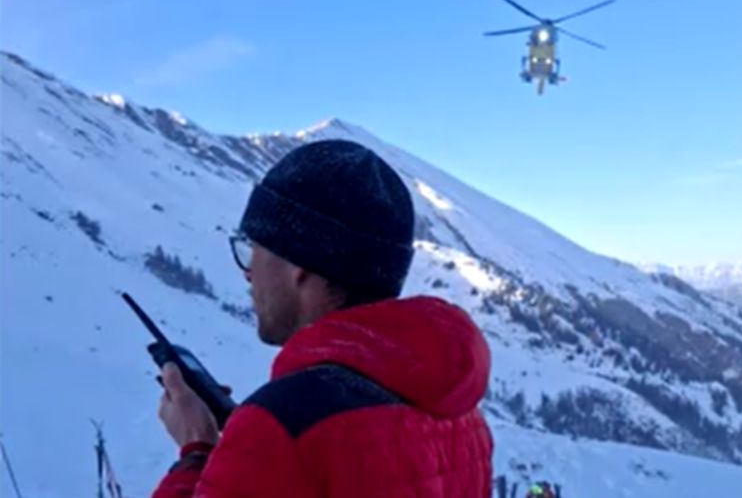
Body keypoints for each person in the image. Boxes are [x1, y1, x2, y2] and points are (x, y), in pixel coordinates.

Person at [151, 140, 493, 497]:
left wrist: (197, 451)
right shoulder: (461, 417)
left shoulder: (284, 425)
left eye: (253, 249)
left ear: (296, 263)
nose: (248, 273)